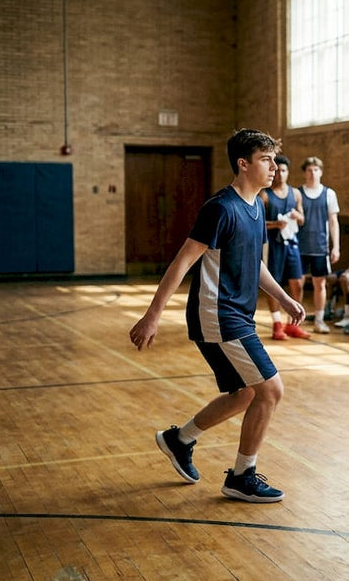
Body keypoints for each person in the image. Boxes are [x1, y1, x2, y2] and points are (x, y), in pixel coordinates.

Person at [129, 128, 305, 503]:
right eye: (265, 159)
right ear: (243, 164)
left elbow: (253, 263)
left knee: (244, 394)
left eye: (274, 158)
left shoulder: (257, 205)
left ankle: (180, 440)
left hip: (236, 314)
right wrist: (153, 315)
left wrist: (284, 299)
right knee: (271, 390)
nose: (274, 166)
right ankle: (242, 475)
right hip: (218, 315)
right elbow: (182, 262)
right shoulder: (220, 208)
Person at [259, 154, 310, 341]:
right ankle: (277, 324)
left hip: (292, 243)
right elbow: (257, 223)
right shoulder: (265, 195)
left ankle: (293, 323)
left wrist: (297, 216)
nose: (280, 174)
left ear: (288, 172)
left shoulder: (295, 193)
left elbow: (303, 219)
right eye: (277, 170)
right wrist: (274, 225)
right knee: (274, 284)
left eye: (284, 170)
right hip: (273, 245)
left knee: (297, 282)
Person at [297, 156, 340, 334]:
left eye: (315, 170)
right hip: (299, 246)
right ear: (305, 173)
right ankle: (294, 322)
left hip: (320, 247)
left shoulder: (329, 194)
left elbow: (333, 222)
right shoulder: (297, 193)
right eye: (309, 170)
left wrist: (336, 246)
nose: (312, 173)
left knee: (319, 285)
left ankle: (319, 320)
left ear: (321, 172)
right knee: (297, 284)